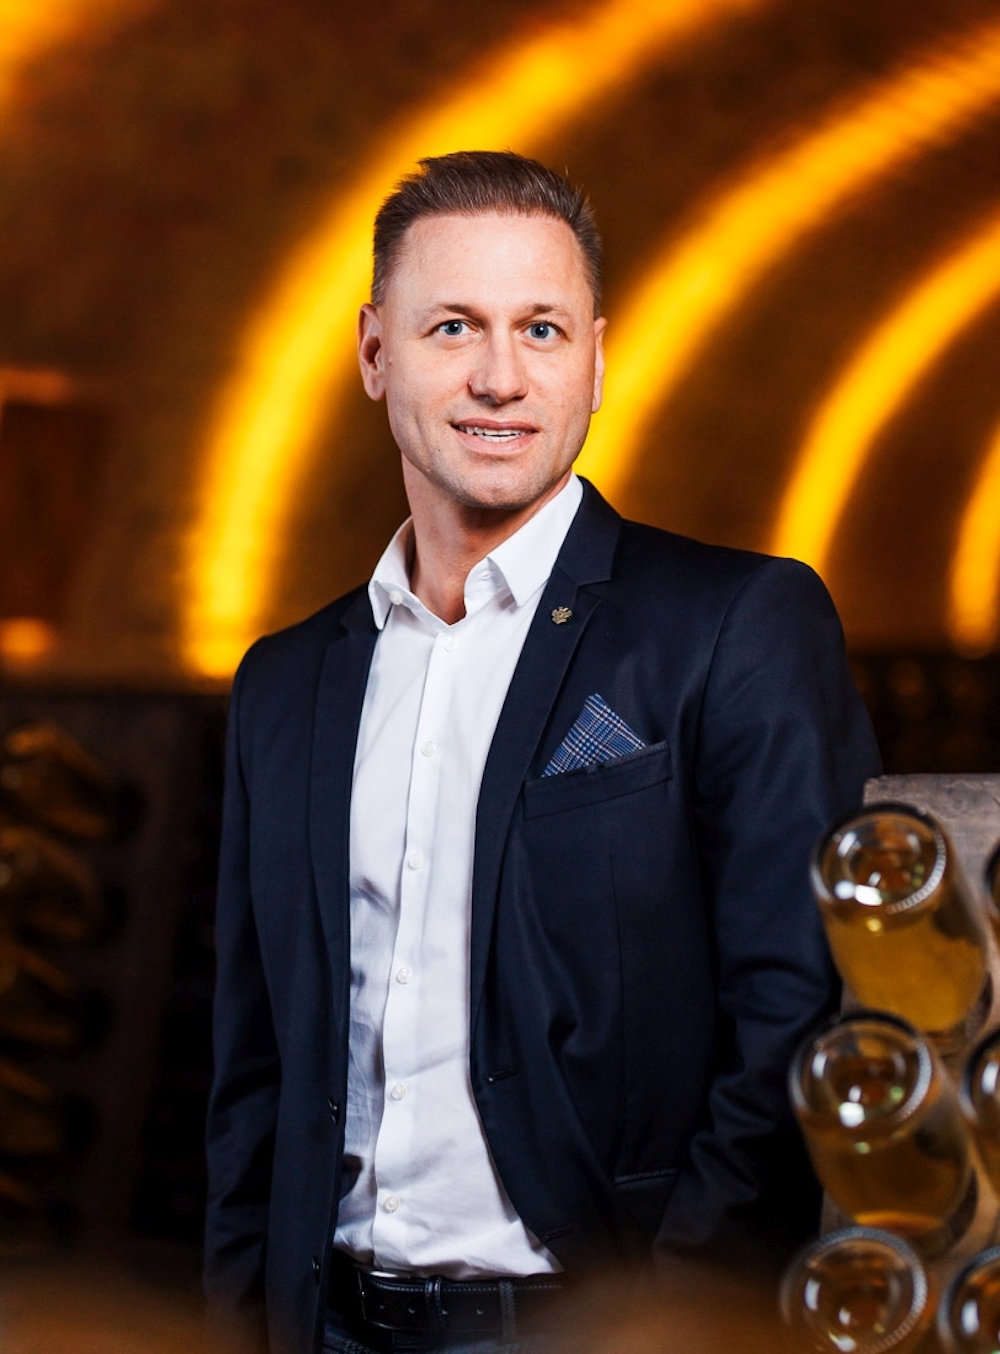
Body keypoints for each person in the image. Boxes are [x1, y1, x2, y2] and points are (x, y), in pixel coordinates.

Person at [204, 150, 881, 1354]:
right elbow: (253, 1062)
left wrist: (677, 1319)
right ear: (374, 352)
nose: (500, 377)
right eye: (452, 326)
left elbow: (799, 1013)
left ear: (597, 361)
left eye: (542, 329)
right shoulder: (283, 682)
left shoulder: (735, 623)